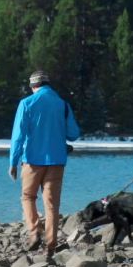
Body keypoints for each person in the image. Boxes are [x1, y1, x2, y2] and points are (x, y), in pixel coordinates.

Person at [9, 70, 80, 256]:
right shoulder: (62, 104)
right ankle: (51, 245)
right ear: (48, 85)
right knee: (52, 204)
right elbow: (74, 133)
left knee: (28, 197)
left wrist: (13, 162)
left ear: (33, 86)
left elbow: (18, 136)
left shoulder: (26, 103)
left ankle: (34, 232)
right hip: (57, 160)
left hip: (32, 160)